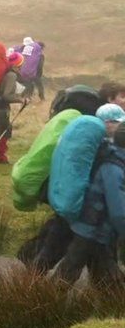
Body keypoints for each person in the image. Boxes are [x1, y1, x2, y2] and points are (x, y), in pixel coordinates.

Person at [53, 122, 125, 287]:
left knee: (104, 277)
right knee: (67, 274)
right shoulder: (113, 169)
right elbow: (118, 212)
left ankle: (45, 302)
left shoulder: (115, 161)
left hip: (95, 231)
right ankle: (42, 305)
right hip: (92, 231)